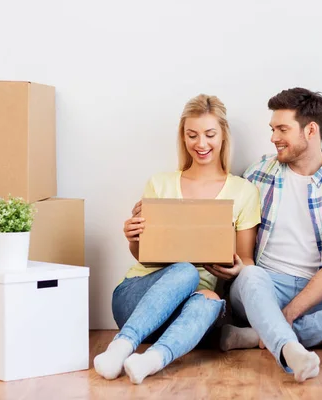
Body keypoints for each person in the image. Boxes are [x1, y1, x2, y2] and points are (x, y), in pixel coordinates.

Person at [93, 94, 261, 384]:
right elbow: (143, 255)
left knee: (210, 297)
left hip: (190, 318)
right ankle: (120, 347)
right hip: (137, 300)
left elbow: (246, 259)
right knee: (184, 270)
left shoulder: (244, 191)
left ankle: (151, 361)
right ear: (182, 137)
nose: (201, 144)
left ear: (223, 136)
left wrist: (236, 269)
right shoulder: (160, 183)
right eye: (192, 135)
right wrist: (133, 238)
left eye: (209, 134)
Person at [213, 87, 322, 382]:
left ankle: (259, 335)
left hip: (320, 294)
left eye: (282, 129)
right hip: (263, 286)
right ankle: (287, 349)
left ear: (311, 130)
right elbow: (223, 221)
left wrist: (288, 314)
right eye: (273, 129)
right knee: (250, 275)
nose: (273, 137)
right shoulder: (257, 173)